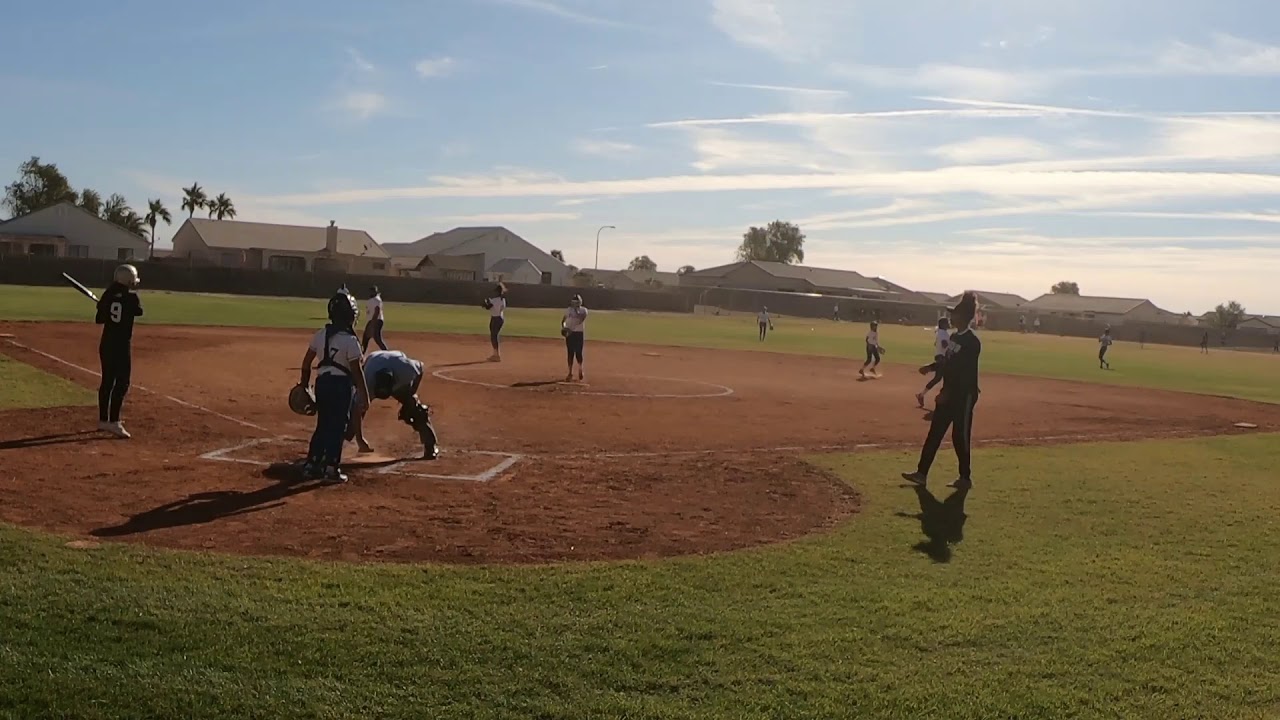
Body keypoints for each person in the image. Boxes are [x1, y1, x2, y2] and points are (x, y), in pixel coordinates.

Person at [902, 292, 981, 490]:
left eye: (954, 314)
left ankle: (965, 477)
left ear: (963, 317)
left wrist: (948, 392)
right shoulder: (954, 337)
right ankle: (921, 473)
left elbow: (962, 372)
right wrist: (931, 367)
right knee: (935, 432)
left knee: (959, 436)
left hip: (964, 395)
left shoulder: (971, 342)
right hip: (950, 391)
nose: (951, 318)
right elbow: (947, 362)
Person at [297, 291, 370, 483]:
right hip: (340, 386)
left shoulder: (320, 335)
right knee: (337, 427)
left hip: (322, 384)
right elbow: (356, 371)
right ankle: (331, 469)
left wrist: (304, 386)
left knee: (322, 425)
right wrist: (364, 394)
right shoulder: (351, 341)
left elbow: (306, 364)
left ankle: (312, 465)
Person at [350, 350, 440, 460]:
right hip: (373, 361)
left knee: (417, 410)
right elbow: (357, 409)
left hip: (395, 362)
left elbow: (420, 369)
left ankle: (430, 445)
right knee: (355, 409)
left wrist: (411, 393)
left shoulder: (405, 370)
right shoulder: (368, 382)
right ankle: (341, 444)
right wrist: (360, 439)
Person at [94, 264, 144, 439]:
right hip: (121, 345)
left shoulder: (107, 295)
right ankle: (114, 422)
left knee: (107, 381)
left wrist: (103, 306)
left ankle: (103, 420)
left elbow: (99, 320)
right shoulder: (131, 297)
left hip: (106, 344)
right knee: (122, 382)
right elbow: (139, 312)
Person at [916, 316, 951, 408]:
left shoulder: (940, 332)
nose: (949, 324)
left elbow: (936, 343)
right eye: (947, 323)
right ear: (943, 324)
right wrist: (951, 345)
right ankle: (921, 394)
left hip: (940, 357)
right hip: (943, 358)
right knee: (941, 378)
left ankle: (930, 367)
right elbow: (944, 344)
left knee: (940, 378)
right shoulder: (943, 333)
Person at [562, 294, 588, 382]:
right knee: (570, 353)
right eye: (574, 302)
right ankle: (570, 373)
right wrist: (564, 327)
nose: (574, 304)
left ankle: (580, 369)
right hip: (569, 334)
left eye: (576, 302)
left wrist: (570, 329)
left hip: (579, 334)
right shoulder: (569, 310)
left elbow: (581, 319)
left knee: (578, 353)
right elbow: (563, 320)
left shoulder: (583, 310)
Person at [483, 283, 508, 362]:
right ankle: (496, 354)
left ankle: (496, 355)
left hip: (495, 319)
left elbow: (487, 307)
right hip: (500, 319)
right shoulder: (503, 300)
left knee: (494, 336)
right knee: (495, 336)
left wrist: (485, 303)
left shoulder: (494, 300)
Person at [362, 286, 387, 352]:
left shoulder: (376, 300)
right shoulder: (373, 299)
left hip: (376, 321)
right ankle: (362, 353)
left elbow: (377, 311)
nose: (371, 293)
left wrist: (372, 324)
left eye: (372, 291)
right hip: (373, 321)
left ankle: (387, 353)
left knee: (377, 339)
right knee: (366, 338)